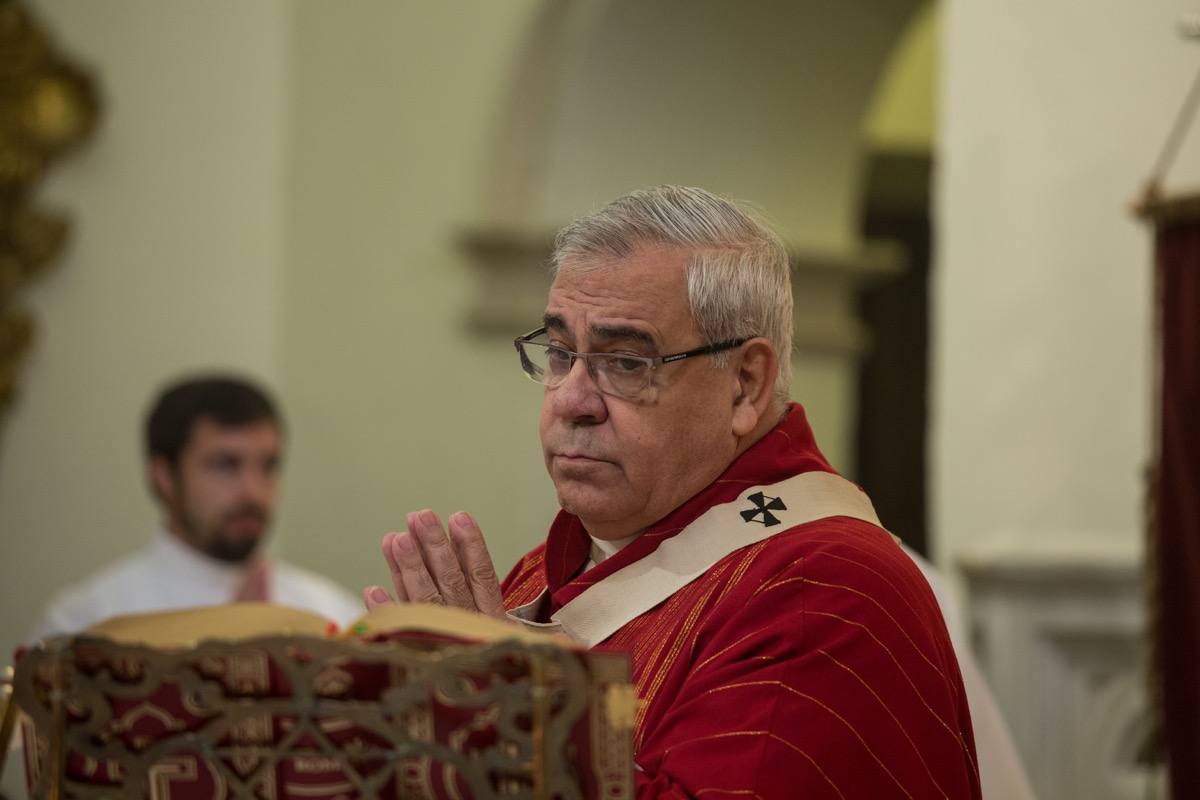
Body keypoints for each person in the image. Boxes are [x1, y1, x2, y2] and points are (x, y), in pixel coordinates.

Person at [364, 186, 982, 798]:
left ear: (744, 384)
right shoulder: (542, 576)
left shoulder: (823, 589)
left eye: (627, 362)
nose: (572, 401)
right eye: (559, 353)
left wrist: (489, 714)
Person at [30, 375, 362, 640]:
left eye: (268, 466)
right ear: (164, 476)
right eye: (225, 465)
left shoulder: (333, 615)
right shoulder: (86, 626)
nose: (254, 492)